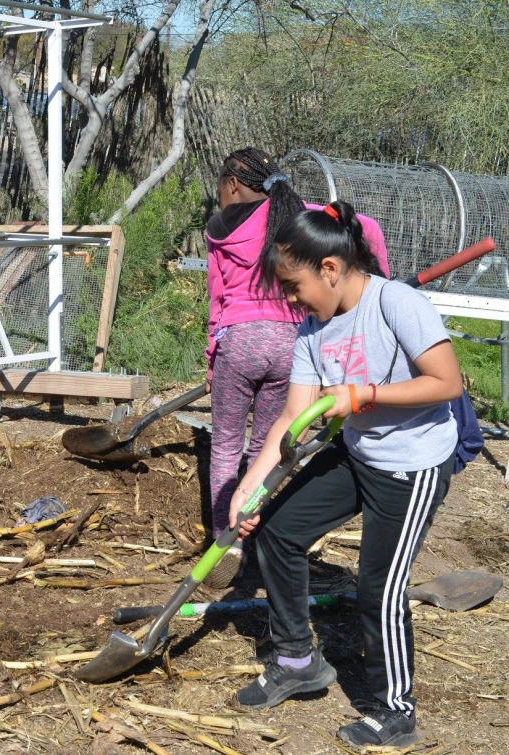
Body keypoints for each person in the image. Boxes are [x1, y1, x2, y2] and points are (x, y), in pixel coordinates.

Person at [229, 201, 462, 749]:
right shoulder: (313, 329)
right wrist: (249, 489)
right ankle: (296, 660)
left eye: (293, 285)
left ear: (329, 269)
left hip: (412, 464)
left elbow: (447, 382)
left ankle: (395, 711)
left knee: (378, 590)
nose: (290, 299)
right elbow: (292, 417)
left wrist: (365, 395)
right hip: (360, 454)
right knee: (279, 533)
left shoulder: (396, 302)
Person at [203, 147, 389, 588]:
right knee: (272, 444)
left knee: (227, 443)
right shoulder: (303, 216)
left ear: (232, 184)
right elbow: (368, 228)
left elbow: (217, 294)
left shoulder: (222, 227)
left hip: (241, 341)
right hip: (291, 345)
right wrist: (378, 276)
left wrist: (214, 355)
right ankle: (260, 529)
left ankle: (225, 542)